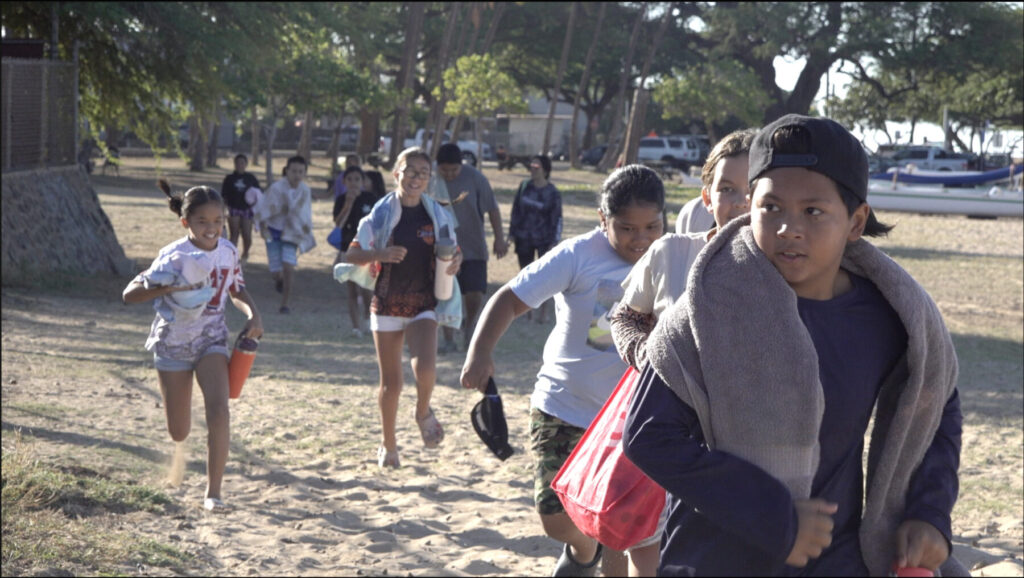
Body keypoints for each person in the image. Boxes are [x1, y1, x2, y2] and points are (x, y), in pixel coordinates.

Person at [623, 115, 966, 577]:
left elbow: (936, 401)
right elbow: (649, 436)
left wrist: (929, 512)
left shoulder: (890, 317)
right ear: (750, 208)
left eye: (813, 211)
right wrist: (771, 514)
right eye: (772, 208)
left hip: (838, 559)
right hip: (715, 560)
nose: (789, 228)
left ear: (856, 221)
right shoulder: (708, 305)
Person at [461, 165, 667, 577]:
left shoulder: (673, 256)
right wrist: (480, 352)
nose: (640, 239)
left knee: (619, 520)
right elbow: (510, 299)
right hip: (563, 406)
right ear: (602, 219)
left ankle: (601, 554)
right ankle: (581, 548)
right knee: (555, 518)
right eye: (627, 228)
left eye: (651, 227)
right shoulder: (578, 255)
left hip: (627, 420)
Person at [603, 128, 756, 576]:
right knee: (652, 556)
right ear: (706, 196)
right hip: (666, 439)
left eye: (753, 190)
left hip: (744, 449)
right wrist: (645, 355)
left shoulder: (789, 270)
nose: (740, 202)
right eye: (728, 189)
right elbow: (624, 315)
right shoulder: (671, 253)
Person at [122, 180, 263, 511]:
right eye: (203, 221)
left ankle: (213, 492)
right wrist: (167, 287)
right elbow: (129, 295)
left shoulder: (228, 251)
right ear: (186, 222)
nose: (212, 228)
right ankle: (180, 451)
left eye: (218, 221)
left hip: (210, 337)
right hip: (172, 343)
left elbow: (236, 290)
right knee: (179, 431)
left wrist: (253, 315)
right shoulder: (172, 257)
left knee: (219, 410)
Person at [336, 146, 463, 469]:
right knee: (391, 384)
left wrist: (457, 259)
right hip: (387, 303)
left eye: (423, 173)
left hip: (424, 303)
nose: (416, 178)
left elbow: (453, 250)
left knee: (427, 370)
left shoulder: (437, 215)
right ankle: (389, 446)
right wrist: (380, 254)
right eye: (410, 171)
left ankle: (422, 411)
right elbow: (350, 256)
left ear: (429, 179)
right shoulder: (379, 214)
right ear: (397, 174)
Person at [435, 143, 508, 354]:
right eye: (444, 170)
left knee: (475, 293)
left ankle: (469, 326)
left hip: (473, 246)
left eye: (453, 170)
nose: (449, 175)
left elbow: (492, 209)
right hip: (443, 248)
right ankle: (448, 339)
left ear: (461, 165)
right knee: (445, 293)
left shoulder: (475, 178)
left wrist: (499, 239)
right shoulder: (430, 178)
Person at [254, 155, 315, 314]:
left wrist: (303, 228)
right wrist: (262, 226)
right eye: (294, 171)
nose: (297, 175)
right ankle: (279, 281)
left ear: (305, 173)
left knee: (289, 267)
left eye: (300, 171)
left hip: (292, 234)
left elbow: (305, 213)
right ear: (286, 171)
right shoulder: (276, 188)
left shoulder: (305, 191)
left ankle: (285, 304)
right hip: (274, 232)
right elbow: (265, 208)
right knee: (276, 272)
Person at [508, 154, 562, 324]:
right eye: (531, 165)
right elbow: (515, 211)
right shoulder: (524, 186)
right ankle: (527, 312)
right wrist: (511, 233)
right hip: (524, 238)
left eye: (536, 166)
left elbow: (557, 218)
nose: (532, 168)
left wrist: (555, 241)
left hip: (545, 240)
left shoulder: (552, 192)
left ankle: (543, 312)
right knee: (526, 276)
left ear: (545, 171)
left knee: (545, 277)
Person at [333, 165, 382, 337]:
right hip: (347, 249)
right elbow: (338, 224)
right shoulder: (340, 200)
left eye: (357, 179)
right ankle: (355, 327)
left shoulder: (370, 198)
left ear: (363, 182)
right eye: (350, 179)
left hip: (367, 249)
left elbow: (378, 224)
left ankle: (369, 321)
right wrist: (348, 204)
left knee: (366, 287)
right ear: (344, 182)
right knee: (352, 289)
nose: (353, 183)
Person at [221, 154, 261, 262]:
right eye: (238, 163)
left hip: (247, 209)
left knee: (247, 234)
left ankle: (245, 253)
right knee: (234, 233)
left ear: (246, 164)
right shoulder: (229, 179)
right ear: (235, 164)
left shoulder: (251, 178)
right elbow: (224, 195)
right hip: (233, 208)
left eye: (242, 163)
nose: (240, 165)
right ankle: (232, 256)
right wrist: (224, 210)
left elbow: (258, 194)